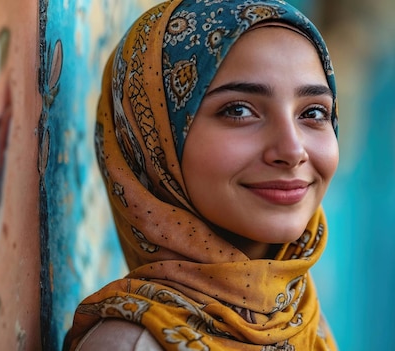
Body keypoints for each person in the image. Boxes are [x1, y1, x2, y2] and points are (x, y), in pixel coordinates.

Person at [63, 0, 339, 350]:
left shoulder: (300, 316)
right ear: (153, 144)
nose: (292, 150)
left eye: (313, 112)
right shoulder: (135, 344)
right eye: (238, 110)